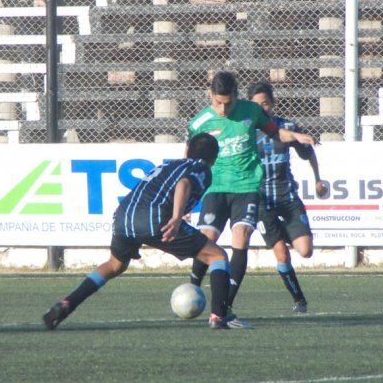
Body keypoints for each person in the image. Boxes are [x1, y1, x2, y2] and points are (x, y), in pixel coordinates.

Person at [42, 133, 247, 330]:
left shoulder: (168, 164)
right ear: (214, 157)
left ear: (187, 151)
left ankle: (67, 304)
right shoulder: (201, 168)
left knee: (114, 265)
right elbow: (184, 183)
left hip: (123, 218)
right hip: (154, 218)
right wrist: (176, 218)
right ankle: (219, 316)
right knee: (217, 255)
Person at [187, 71, 316, 317]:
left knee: (241, 237)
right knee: (207, 238)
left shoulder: (251, 111)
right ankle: (193, 286)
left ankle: (224, 306)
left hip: (246, 187)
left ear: (236, 96)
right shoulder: (199, 123)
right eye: (218, 103)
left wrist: (296, 136)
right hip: (215, 188)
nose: (223, 109)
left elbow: (275, 132)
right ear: (210, 95)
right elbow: (189, 158)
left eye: (228, 103)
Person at [248, 81, 327, 313]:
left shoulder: (287, 126)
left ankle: (283, 232)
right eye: (257, 106)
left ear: (272, 103)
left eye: (265, 104)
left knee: (305, 251)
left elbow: (307, 152)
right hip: (262, 201)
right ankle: (299, 300)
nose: (262, 109)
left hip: (287, 196)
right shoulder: (247, 132)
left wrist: (318, 180)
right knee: (281, 252)